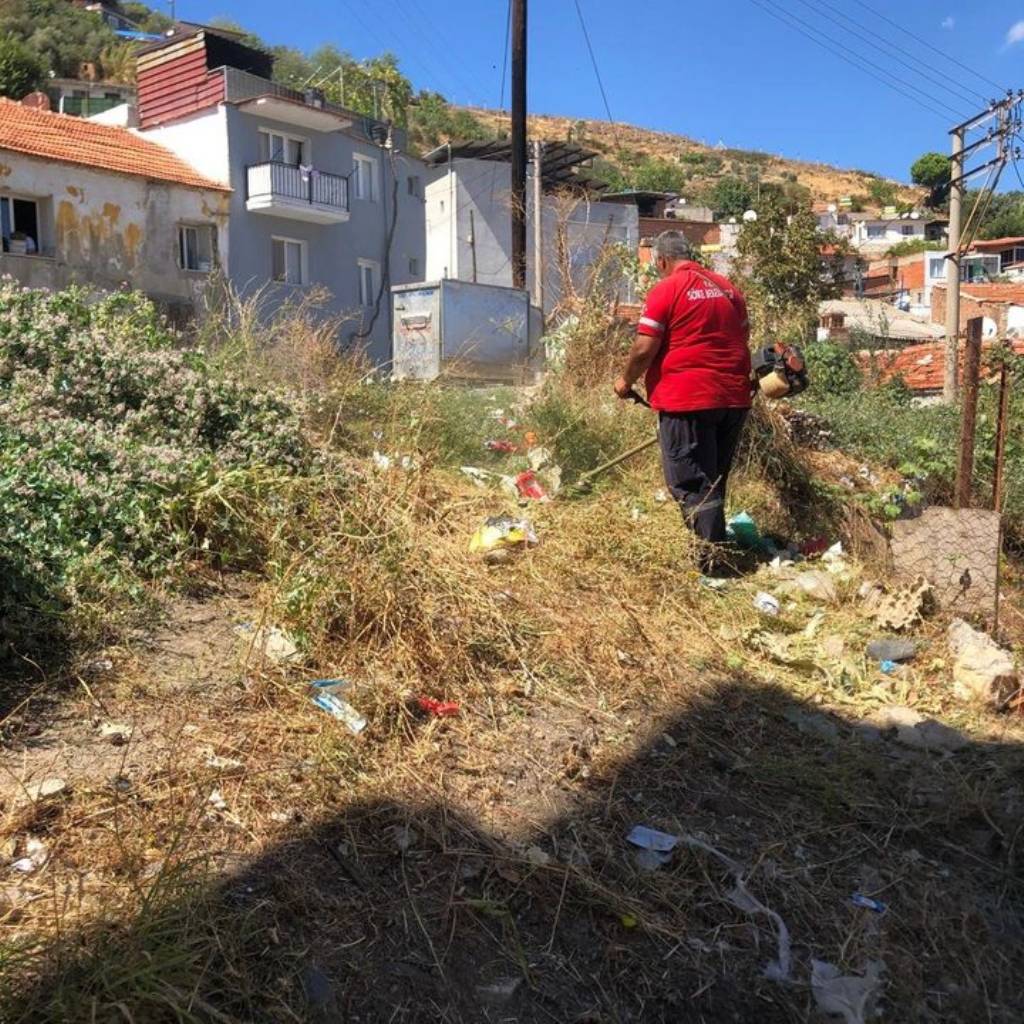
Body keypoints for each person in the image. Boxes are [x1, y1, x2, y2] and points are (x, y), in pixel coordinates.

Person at [614, 230, 752, 569]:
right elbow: (743, 335)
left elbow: (644, 348)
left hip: (687, 398)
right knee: (714, 477)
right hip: (733, 398)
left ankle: (712, 563)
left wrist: (624, 381)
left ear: (661, 260)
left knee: (691, 480)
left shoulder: (666, 289)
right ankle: (714, 550)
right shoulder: (729, 289)